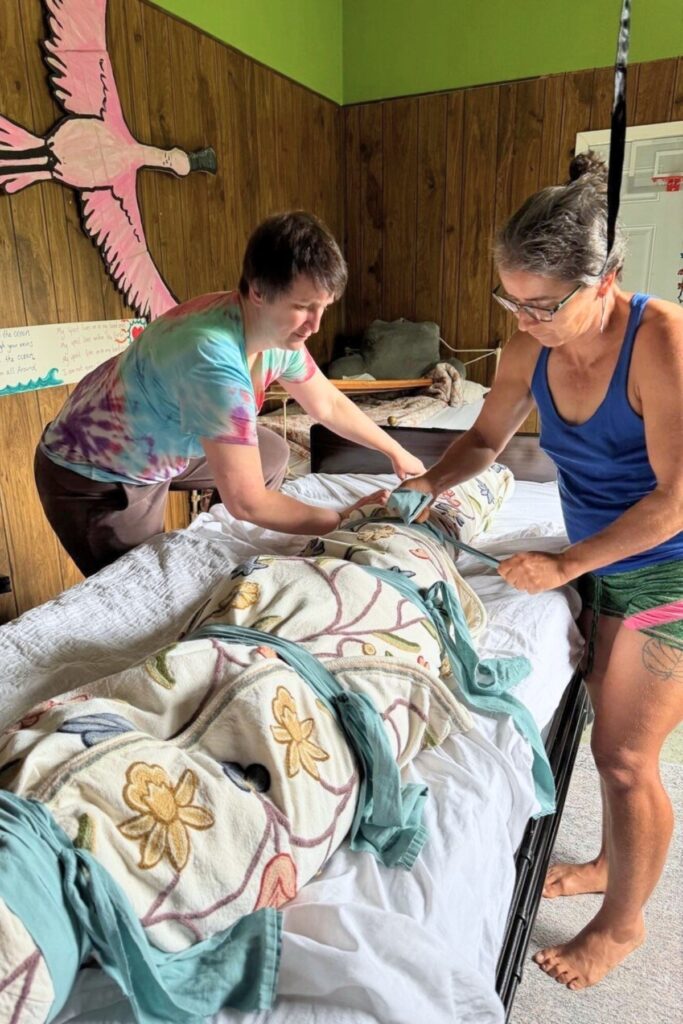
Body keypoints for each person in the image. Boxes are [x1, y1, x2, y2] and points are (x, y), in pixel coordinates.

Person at [401, 153, 683, 989]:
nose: (523, 320)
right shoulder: (527, 342)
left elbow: (672, 504)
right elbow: (485, 440)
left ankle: (623, 924)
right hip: (601, 554)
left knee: (626, 757)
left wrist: (562, 563)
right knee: (607, 731)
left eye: (542, 305)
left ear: (604, 282)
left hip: (667, 566)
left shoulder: (661, 342)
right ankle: (607, 861)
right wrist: (423, 486)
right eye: (510, 300)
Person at [35, 211, 424, 576]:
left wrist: (396, 452)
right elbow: (248, 501)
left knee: (271, 451)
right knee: (146, 579)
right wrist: (341, 520)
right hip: (97, 473)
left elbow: (327, 403)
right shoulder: (212, 357)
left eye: (324, 307)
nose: (316, 325)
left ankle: (228, 531)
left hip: (163, 439)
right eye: (303, 307)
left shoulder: (272, 329)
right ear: (258, 291)